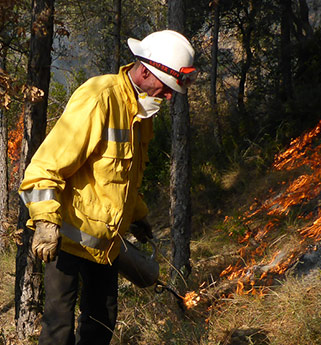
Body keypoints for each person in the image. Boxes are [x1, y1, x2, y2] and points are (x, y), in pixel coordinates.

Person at [18, 30, 196, 345]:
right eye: (166, 88)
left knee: (101, 324)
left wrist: (138, 215)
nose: (168, 97)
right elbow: (45, 167)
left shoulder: (142, 112)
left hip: (106, 244)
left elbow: (122, 176)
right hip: (66, 239)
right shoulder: (100, 97)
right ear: (145, 70)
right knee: (58, 330)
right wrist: (45, 222)